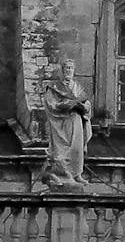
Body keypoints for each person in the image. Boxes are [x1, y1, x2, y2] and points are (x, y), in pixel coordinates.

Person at [38, 55, 93, 188]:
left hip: (77, 119)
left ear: (74, 70)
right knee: (64, 147)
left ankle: (77, 173)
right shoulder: (54, 87)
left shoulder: (78, 87)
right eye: (66, 68)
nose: (68, 70)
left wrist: (85, 107)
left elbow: (86, 103)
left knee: (77, 147)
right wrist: (65, 104)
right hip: (62, 122)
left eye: (71, 68)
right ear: (62, 70)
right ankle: (65, 173)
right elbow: (50, 104)